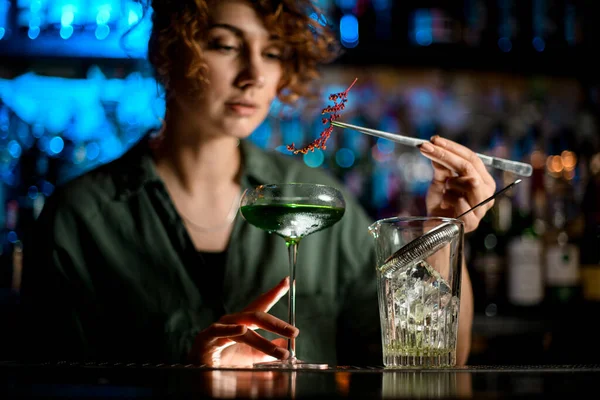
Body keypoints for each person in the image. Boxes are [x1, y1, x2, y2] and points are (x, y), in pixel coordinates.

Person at [19, 0, 496, 367]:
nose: (253, 75)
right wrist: (184, 370)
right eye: (225, 45)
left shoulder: (320, 202)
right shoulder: (80, 218)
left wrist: (443, 233)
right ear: (168, 51)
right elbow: (43, 382)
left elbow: (433, 360)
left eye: (271, 53)